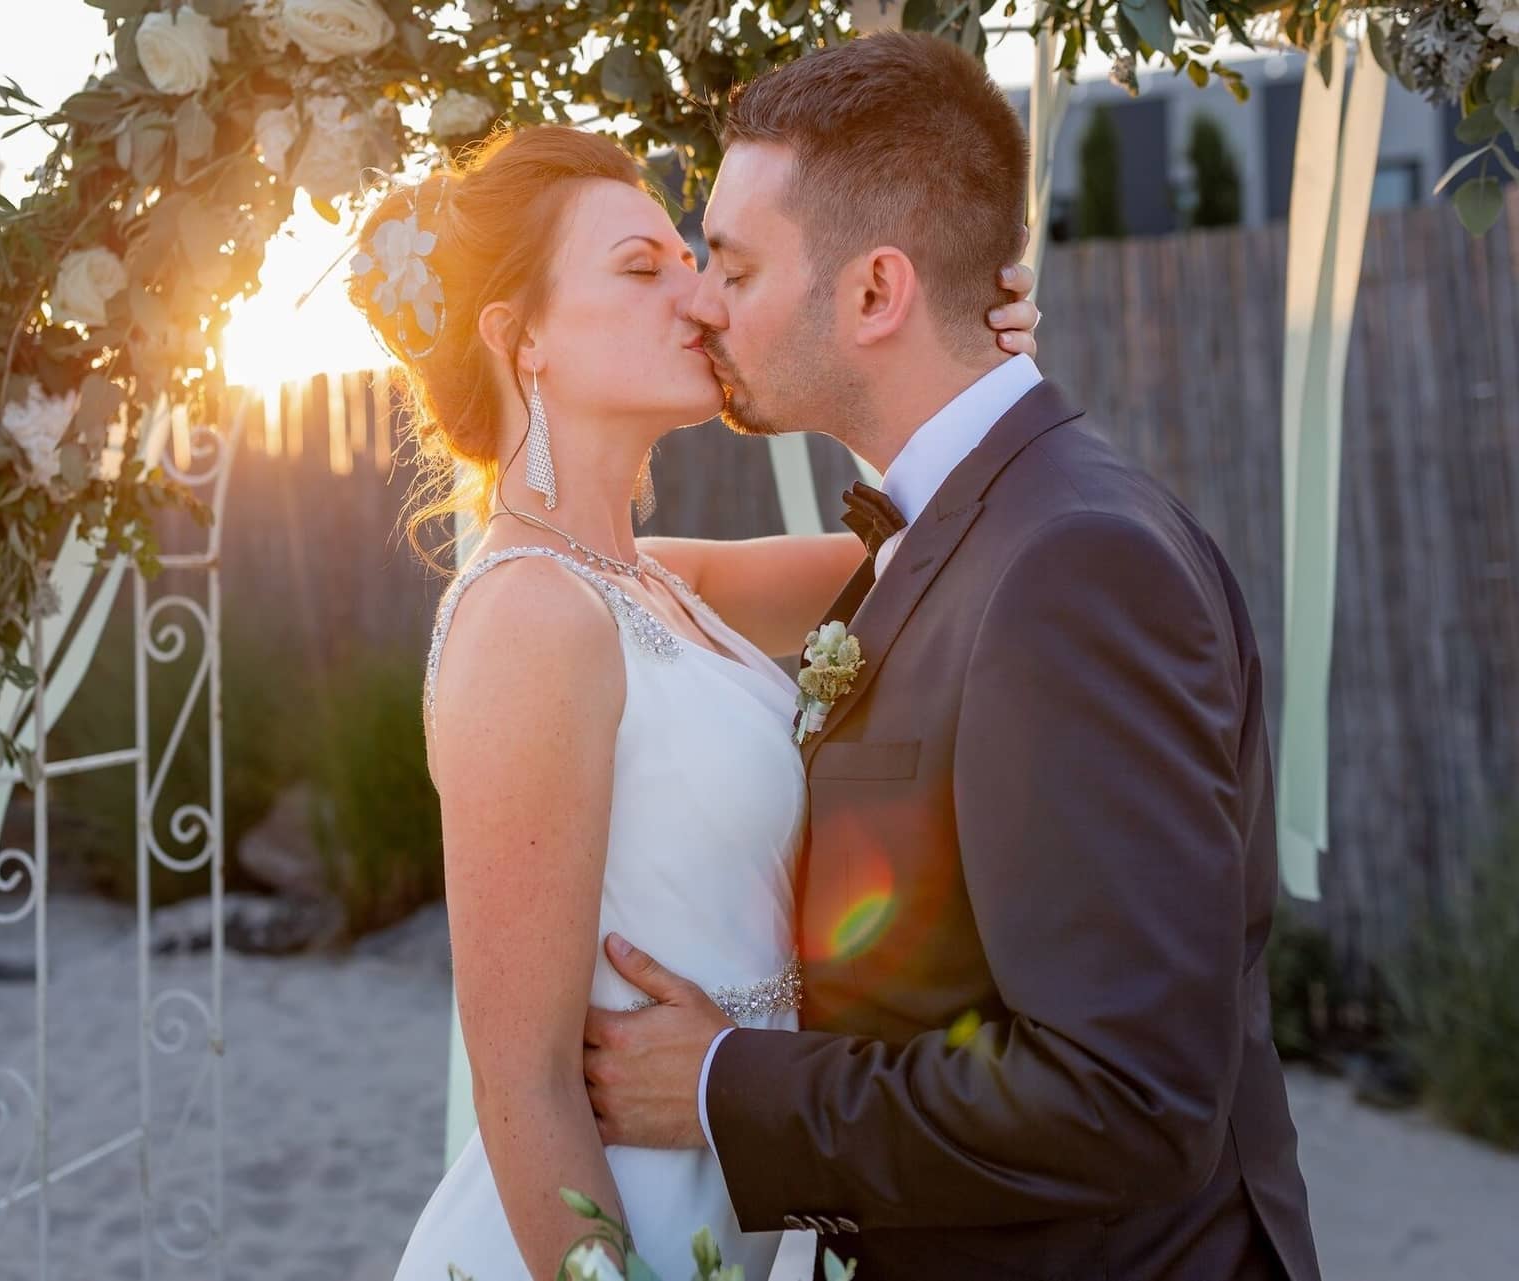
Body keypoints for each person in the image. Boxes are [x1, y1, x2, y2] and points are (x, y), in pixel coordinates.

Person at [581, 32, 1323, 1281]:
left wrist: (725, 1084)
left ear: (876, 293)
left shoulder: (1075, 569)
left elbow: (1124, 1097)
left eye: (739, 264)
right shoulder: (965, 524)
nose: (704, 299)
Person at [347, 114, 1037, 1278]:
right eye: (640, 267)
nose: (701, 297)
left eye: (691, 257)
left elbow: (933, 556)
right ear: (524, 342)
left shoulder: (654, 580)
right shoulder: (527, 618)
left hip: (747, 1169)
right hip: (631, 1212)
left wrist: (969, 365)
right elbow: (519, 1084)